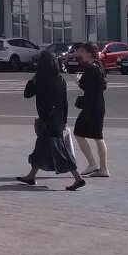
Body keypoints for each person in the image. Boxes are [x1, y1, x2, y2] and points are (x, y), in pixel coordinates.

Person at [17, 51, 86, 191]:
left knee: (59, 150)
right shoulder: (60, 78)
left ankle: (78, 178)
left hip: (48, 120)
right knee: (41, 148)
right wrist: (64, 120)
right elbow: (64, 102)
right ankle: (31, 176)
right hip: (57, 118)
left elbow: (27, 94)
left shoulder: (41, 79)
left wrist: (32, 79)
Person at [72, 43, 109, 178]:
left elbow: (87, 87)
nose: (80, 53)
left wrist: (78, 81)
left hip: (91, 107)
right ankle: (103, 168)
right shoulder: (99, 66)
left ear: (88, 53)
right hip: (99, 106)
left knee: (78, 133)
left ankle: (93, 164)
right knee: (98, 137)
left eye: (82, 51)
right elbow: (102, 86)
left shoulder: (90, 68)